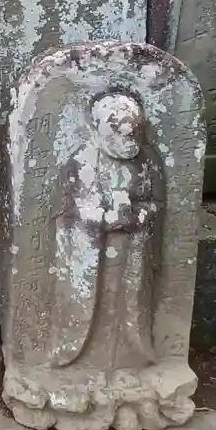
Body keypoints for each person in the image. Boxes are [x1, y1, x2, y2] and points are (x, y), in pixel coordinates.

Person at [51, 91, 158, 372]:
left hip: (129, 248)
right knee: (92, 302)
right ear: (98, 129)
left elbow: (151, 203)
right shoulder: (81, 162)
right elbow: (72, 210)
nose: (127, 141)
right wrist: (105, 218)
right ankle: (80, 355)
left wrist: (136, 216)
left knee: (123, 301)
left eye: (132, 134)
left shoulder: (143, 162)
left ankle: (125, 356)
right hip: (90, 249)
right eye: (119, 134)